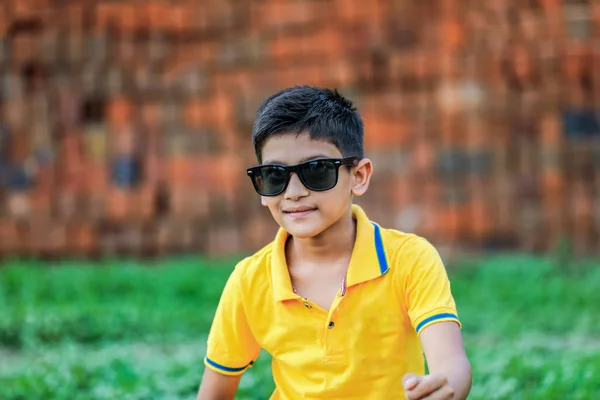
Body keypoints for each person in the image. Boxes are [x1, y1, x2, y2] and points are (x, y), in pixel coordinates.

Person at [197, 86, 471, 400]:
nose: (294, 192)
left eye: (316, 170)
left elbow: (451, 363)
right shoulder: (249, 281)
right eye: (274, 175)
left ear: (359, 176)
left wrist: (445, 385)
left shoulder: (410, 259)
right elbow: (213, 392)